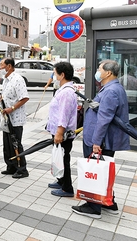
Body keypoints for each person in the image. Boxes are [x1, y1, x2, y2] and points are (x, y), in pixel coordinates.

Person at [72, 60, 130, 219]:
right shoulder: (113, 88)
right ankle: (110, 203)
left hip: (100, 141)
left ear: (108, 73)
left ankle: (93, 207)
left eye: (99, 69)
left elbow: (104, 119)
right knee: (103, 172)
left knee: (96, 172)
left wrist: (96, 142)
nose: (97, 71)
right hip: (102, 139)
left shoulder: (111, 91)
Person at [46, 61, 78, 197]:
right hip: (58, 132)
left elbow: (64, 115)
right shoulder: (63, 89)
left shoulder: (66, 93)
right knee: (59, 156)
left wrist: (59, 133)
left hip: (63, 133)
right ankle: (61, 180)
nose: (54, 76)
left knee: (64, 158)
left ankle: (67, 188)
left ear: (62, 74)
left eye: (55, 73)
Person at [0, 58, 30, 178]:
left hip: (15, 117)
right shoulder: (6, 80)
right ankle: (11, 166)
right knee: (7, 143)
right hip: (6, 117)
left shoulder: (17, 79)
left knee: (16, 143)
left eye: (1, 65)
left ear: (9, 66)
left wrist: (12, 108)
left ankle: (22, 169)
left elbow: (24, 98)